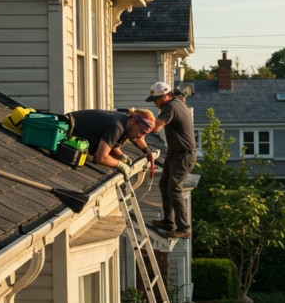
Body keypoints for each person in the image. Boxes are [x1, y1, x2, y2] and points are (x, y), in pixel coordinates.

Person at [146, 81, 195, 239]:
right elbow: (180, 95)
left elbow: (155, 128)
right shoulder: (177, 101)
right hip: (175, 153)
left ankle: (184, 228)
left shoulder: (171, 107)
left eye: (157, 99)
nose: (155, 103)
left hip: (183, 155)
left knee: (174, 190)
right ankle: (168, 221)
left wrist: (136, 121)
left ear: (166, 96)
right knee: (164, 185)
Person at [67, 108, 155, 181]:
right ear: (133, 121)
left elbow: (110, 145)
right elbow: (100, 158)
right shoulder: (117, 126)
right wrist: (120, 165)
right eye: (142, 132)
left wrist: (121, 156)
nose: (142, 137)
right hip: (63, 132)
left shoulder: (126, 122)